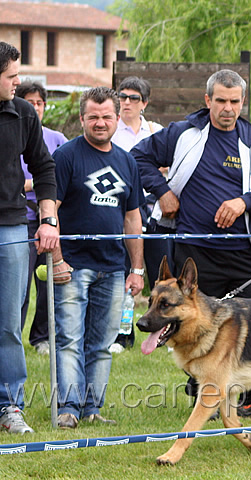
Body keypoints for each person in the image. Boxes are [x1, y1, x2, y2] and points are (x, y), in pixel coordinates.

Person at [132, 69, 251, 419]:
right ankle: (202, 399)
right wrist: (163, 192)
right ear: (207, 100)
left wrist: (244, 202)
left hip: (245, 252)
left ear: (243, 102)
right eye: (220, 101)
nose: (227, 108)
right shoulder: (183, 133)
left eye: (235, 102)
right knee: (195, 329)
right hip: (196, 253)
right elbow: (138, 158)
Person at [52, 86, 145, 429]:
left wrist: (136, 268)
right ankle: (68, 408)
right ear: (82, 119)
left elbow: (132, 217)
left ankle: (92, 409)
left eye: (107, 116)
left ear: (118, 119)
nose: (101, 122)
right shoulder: (67, 156)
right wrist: (58, 258)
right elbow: (53, 211)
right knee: (70, 340)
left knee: (103, 344)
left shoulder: (126, 161)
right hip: (73, 266)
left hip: (113, 267)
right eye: (93, 116)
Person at [0, 41, 59, 434]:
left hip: (11, 229)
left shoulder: (22, 113)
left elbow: (44, 166)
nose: (18, 83)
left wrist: (48, 219)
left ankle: (9, 406)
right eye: (10, 77)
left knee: (7, 325)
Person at [110, 76, 165, 353]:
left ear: (144, 102)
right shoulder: (110, 130)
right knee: (125, 272)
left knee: (157, 271)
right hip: (121, 207)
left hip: (151, 209)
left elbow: (168, 168)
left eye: (133, 98)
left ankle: (162, 329)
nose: (126, 102)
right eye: (122, 96)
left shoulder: (156, 132)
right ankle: (123, 332)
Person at [15, 81, 67, 355]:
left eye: (39, 103)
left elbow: (62, 177)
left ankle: (42, 338)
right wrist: (37, 183)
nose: (35, 108)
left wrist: (35, 184)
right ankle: (14, 335)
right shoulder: (14, 132)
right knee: (19, 284)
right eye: (30, 102)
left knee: (47, 284)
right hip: (20, 220)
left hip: (49, 218)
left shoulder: (57, 138)